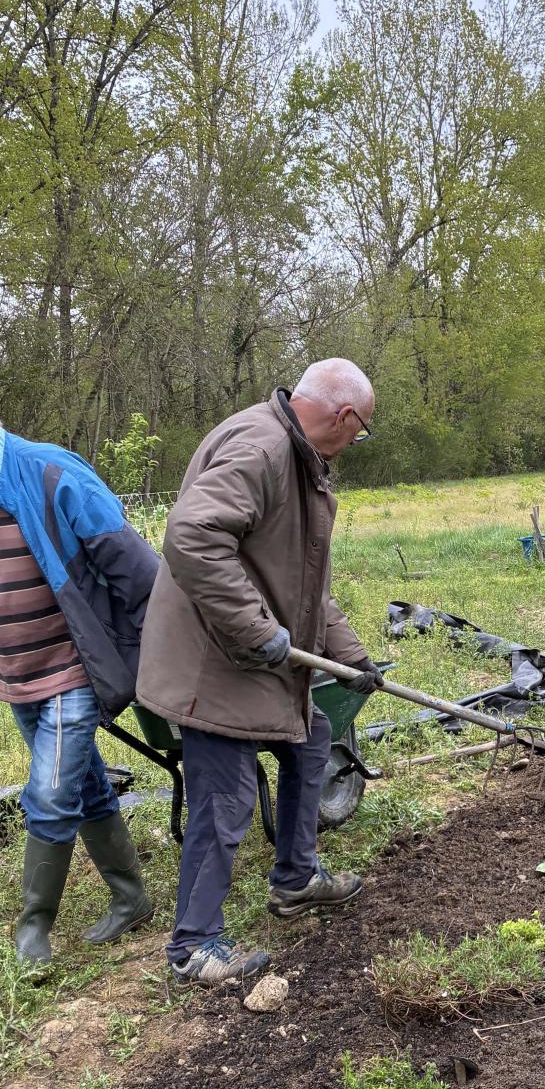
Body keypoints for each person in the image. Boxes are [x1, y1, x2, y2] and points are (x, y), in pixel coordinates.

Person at [137, 359, 384, 990]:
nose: (354, 444)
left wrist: (352, 657)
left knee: (313, 736)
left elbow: (302, 588)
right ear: (344, 416)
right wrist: (254, 627)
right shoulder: (264, 449)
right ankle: (193, 946)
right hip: (215, 661)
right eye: (359, 432)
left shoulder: (292, 453)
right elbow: (191, 536)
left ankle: (296, 877)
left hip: (247, 655)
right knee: (225, 798)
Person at [0, 363, 159, 963]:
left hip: (74, 669)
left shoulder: (50, 472)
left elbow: (137, 569)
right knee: (84, 783)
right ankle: (131, 898)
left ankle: (33, 930)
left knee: (50, 794)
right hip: (16, 676)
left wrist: (160, 647)